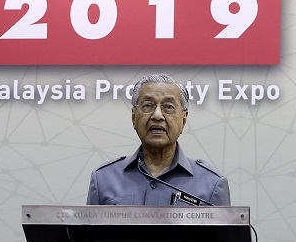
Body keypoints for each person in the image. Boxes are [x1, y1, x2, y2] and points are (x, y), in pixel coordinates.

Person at [87, 73, 229, 206]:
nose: (157, 115)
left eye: (168, 107)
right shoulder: (103, 180)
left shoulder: (212, 184)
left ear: (183, 120)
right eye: (148, 106)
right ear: (133, 117)